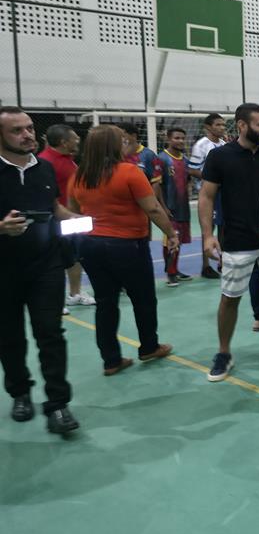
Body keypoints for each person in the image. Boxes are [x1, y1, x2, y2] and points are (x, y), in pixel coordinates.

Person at [68, 125, 176, 375]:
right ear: (115, 146)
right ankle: (149, 347)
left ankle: (111, 360)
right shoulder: (129, 172)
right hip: (127, 245)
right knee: (143, 298)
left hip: (90, 245)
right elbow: (153, 208)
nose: (127, 144)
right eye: (123, 141)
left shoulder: (79, 176)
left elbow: (74, 211)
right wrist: (171, 233)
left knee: (105, 302)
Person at [0, 107, 79, 434]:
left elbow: (54, 207)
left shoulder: (44, 168)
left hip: (46, 266)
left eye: (30, 128)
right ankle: (20, 392)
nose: (27, 134)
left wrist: (74, 219)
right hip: (4, 270)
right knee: (9, 337)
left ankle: (58, 404)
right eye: (17, 130)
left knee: (51, 334)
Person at [200, 103, 259, 380]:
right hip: (236, 241)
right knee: (230, 298)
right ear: (241, 125)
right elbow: (206, 196)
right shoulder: (219, 156)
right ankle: (224, 353)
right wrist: (208, 235)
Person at [38, 124, 95, 312]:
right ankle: (54, 300)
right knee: (54, 259)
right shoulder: (45, 162)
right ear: (64, 142)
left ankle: (75, 294)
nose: (78, 140)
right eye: (74, 138)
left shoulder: (69, 160)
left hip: (71, 218)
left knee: (74, 255)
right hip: (54, 218)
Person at [189, 113, 227, 279]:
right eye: (218, 124)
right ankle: (206, 266)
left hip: (223, 193)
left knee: (224, 228)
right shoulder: (201, 145)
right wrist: (212, 179)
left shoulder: (224, 144)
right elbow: (192, 169)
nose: (222, 128)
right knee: (208, 229)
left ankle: (223, 261)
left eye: (223, 125)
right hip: (209, 193)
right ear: (207, 127)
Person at [157, 127, 194, 287]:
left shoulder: (185, 160)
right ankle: (170, 273)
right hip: (169, 208)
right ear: (168, 139)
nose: (180, 141)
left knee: (179, 240)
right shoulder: (162, 159)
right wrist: (163, 207)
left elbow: (188, 180)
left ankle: (175, 269)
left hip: (183, 207)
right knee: (171, 240)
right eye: (176, 138)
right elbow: (157, 186)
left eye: (182, 138)